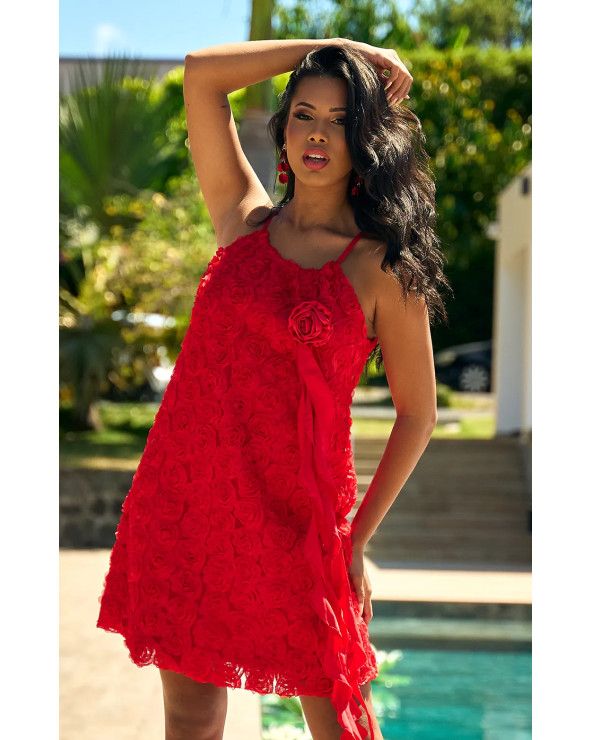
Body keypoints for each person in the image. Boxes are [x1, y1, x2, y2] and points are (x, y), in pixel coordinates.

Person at [96, 37, 450, 740]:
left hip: (300, 528)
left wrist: (355, 538)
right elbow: (201, 76)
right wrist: (338, 46)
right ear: (283, 131)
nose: (318, 134)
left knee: (341, 719)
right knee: (192, 715)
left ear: (365, 140)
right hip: (189, 506)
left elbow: (419, 414)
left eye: (341, 121)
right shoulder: (243, 220)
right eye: (304, 115)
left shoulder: (382, 267)